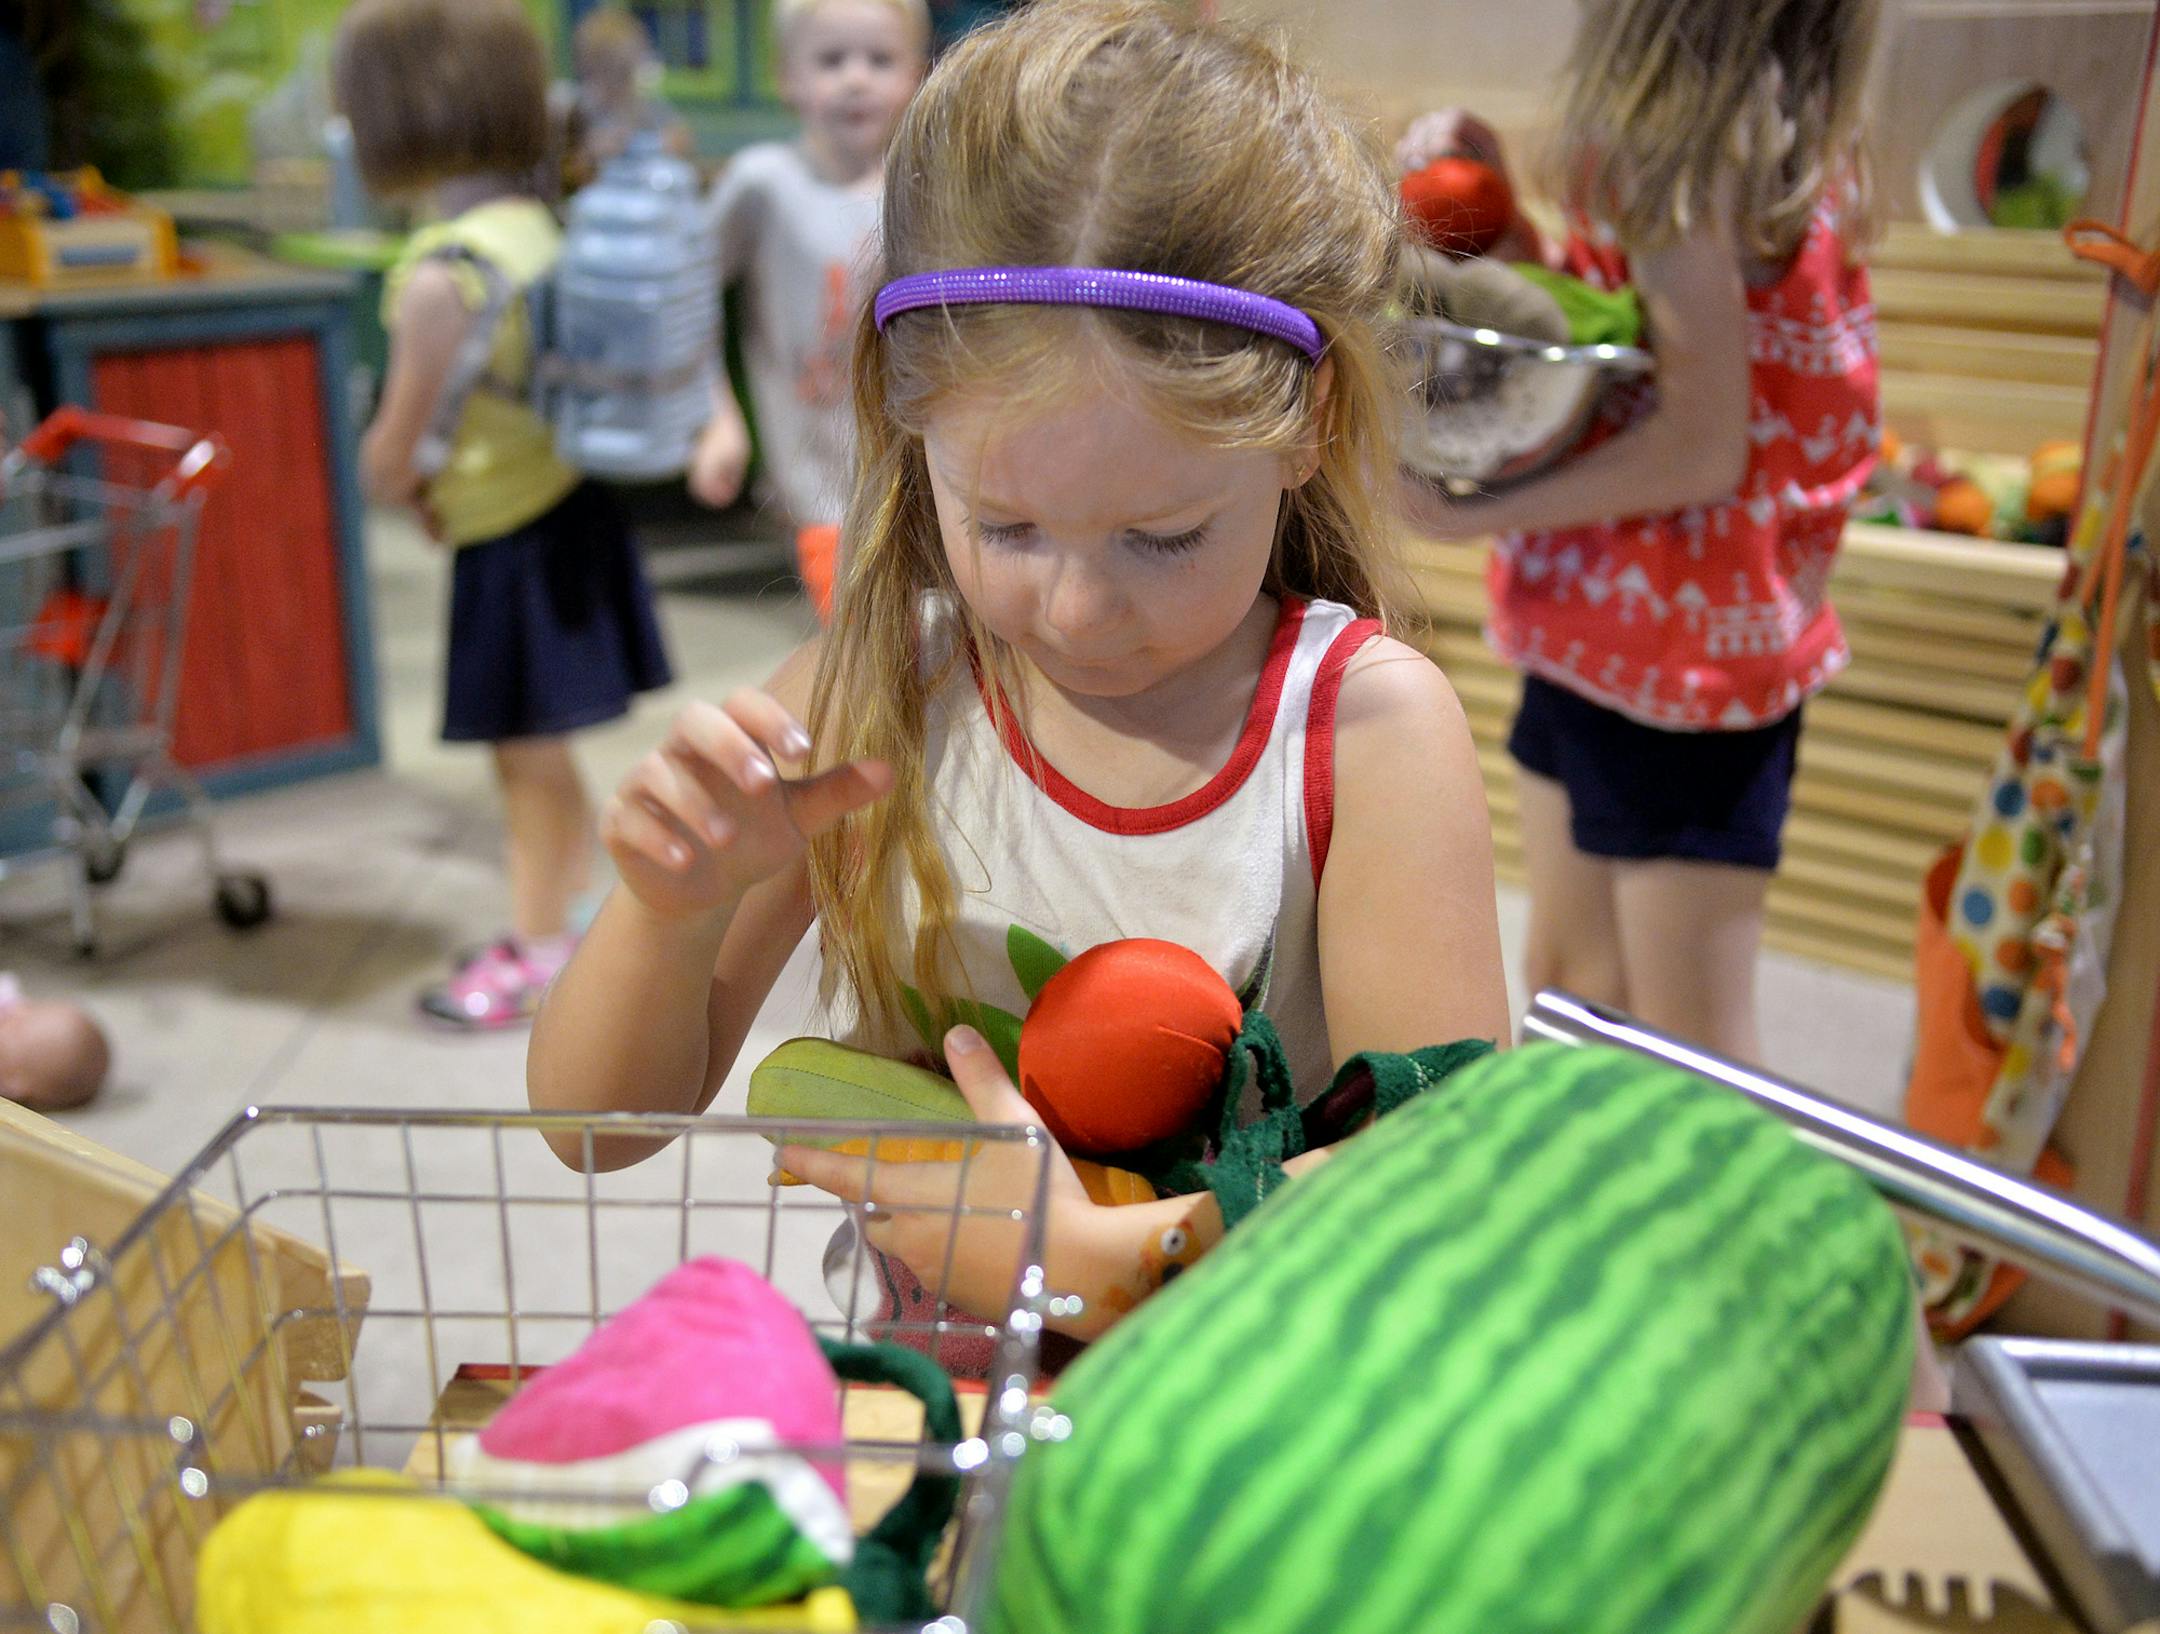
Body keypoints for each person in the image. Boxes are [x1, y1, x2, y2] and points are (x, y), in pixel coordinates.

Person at [532, 0, 1508, 1356]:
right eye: (1006, 526)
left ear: (1309, 423)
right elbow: (595, 1129)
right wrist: (665, 913)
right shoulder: (869, 693)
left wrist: (1131, 1250)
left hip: (1266, 1388)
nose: (1077, 606)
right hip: (944, 1397)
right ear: (905, 420)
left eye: (1163, 536)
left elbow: (1452, 1184)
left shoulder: (1363, 728)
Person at [1401, 0, 1882, 1063]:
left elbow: (1701, 446)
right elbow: (1645, 345)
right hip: (1623, 634)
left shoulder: (1685, 150)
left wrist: (1462, 512)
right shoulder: (1770, 135)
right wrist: (1518, 235)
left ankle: (1714, 1233)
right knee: (1577, 991)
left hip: (1681, 663)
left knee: (1684, 1048)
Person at [335, 0, 674, 1030]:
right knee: (547, 749)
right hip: (573, 511)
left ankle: (536, 951)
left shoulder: (441, 273)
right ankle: (563, 921)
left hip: (507, 540)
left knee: (522, 761)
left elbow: (395, 449)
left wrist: (378, 472)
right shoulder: (537, 232)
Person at [684, 0, 928, 620]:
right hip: (821, 488)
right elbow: (684, 293)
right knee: (861, 643)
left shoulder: (925, 185)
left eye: (879, 59)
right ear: (786, 74)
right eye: (830, 59)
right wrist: (715, 416)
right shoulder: (765, 183)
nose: (855, 77)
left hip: (923, 475)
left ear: (915, 72)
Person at [558, 5, 694, 195]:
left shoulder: (643, 103)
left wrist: (654, 144)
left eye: (624, 73)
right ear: (588, 68)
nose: (617, 84)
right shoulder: (577, 108)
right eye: (608, 71)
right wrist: (592, 154)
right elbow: (567, 170)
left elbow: (681, 138)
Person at [0, 975, 110, 1113]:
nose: (15, 1013)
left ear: (12, 1084)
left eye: (16, 1030)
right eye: (32, 1009)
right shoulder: (9, 1006)